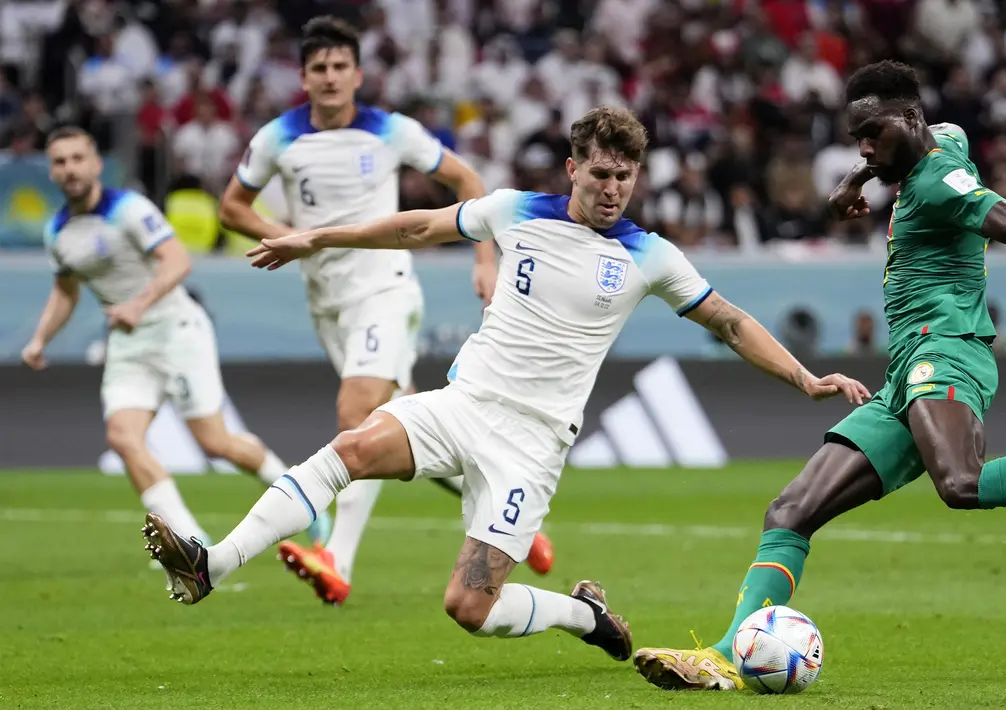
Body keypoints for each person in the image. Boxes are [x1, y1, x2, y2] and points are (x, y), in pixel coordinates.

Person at [141, 106, 870, 661]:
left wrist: (805, 378)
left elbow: (731, 322)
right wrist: (317, 236)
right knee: (351, 447)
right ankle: (212, 565)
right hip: (463, 404)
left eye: (625, 176)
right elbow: (420, 226)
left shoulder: (650, 255)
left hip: (532, 443)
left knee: (468, 607)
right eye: (600, 173)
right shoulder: (516, 210)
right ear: (572, 168)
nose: (612, 188)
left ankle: (585, 614)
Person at [632, 61, 1006, 691]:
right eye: (857, 136)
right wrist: (857, 177)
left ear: (907, 120)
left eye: (871, 135)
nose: (863, 147)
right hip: (906, 371)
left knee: (959, 482)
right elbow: (943, 129)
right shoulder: (940, 141)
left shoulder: (941, 183)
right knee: (789, 512)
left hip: (950, 351)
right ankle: (725, 656)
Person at [216, 16, 553, 606]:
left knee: (357, 409)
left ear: (357, 74)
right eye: (318, 68)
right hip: (327, 301)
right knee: (404, 426)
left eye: (340, 66)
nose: (329, 77)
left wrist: (484, 260)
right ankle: (507, 504)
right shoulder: (279, 137)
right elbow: (232, 207)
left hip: (386, 289)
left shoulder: (391, 131)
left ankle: (336, 559)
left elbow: (466, 179)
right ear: (303, 76)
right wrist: (292, 236)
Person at [22, 126, 316, 551]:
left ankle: (302, 497)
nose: (69, 169)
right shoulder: (58, 232)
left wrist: (139, 304)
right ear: (51, 171)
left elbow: (177, 262)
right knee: (123, 437)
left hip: (176, 329)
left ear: (95, 164)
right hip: (128, 343)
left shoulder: (128, 209)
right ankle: (191, 539)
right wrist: (40, 338)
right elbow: (66, 291)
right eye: (60, 162)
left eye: (77, 158)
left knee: (216, 442)